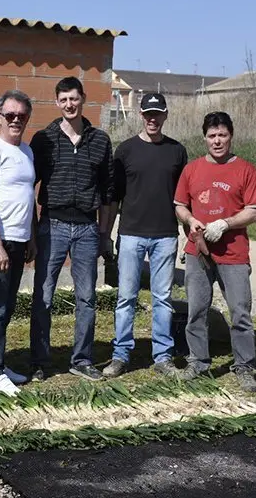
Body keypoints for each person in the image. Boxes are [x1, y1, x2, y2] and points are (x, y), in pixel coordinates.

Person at [29, 77, 116, 381]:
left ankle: (81, 359)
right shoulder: (44, 139)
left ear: (83, 99)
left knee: (87, 298)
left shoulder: (101, 141)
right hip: (51, 225)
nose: (69, 104)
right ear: (57, 102)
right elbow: (30, 186)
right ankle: (39, 361)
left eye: (74, 99)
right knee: (44, 296)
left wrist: (104, 234)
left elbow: (107, 193)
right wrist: (31, 232)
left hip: (87, 229)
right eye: (63, 99)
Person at [174, 111, 256, 393]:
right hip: (197, 251)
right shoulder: (192, 169)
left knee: (240, 312)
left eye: (222, 135)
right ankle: (199, 362)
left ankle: (244, 367)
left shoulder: (245, 169)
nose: (217, 141)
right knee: (197, 310)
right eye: (212, 136)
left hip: (234, 254)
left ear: (231, 136)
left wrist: (226, 223)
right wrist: (190, 220)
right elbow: (179, 205)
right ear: (205, 138)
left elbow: (255, 211)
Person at [103, 93, 188, 378]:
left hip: (165, 235)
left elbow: (183, 199)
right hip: (131, 235)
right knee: (126, 298)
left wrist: (188, 234)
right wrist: (107, 232)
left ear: (165, 115)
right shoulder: (125, 150)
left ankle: (162, 356)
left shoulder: (177, 151)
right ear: (140, 114)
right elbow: (114, 197)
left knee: (162, 298)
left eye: (158, 113)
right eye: (148, 113)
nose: (153, 118)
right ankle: (120, 355)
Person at [0, 90, 37, 396]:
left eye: (21, 116)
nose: (15, 120)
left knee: (8, 305)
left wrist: (32, 238)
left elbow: (29, 198)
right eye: (10, 115)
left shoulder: (27, 152)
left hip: (19, 240)